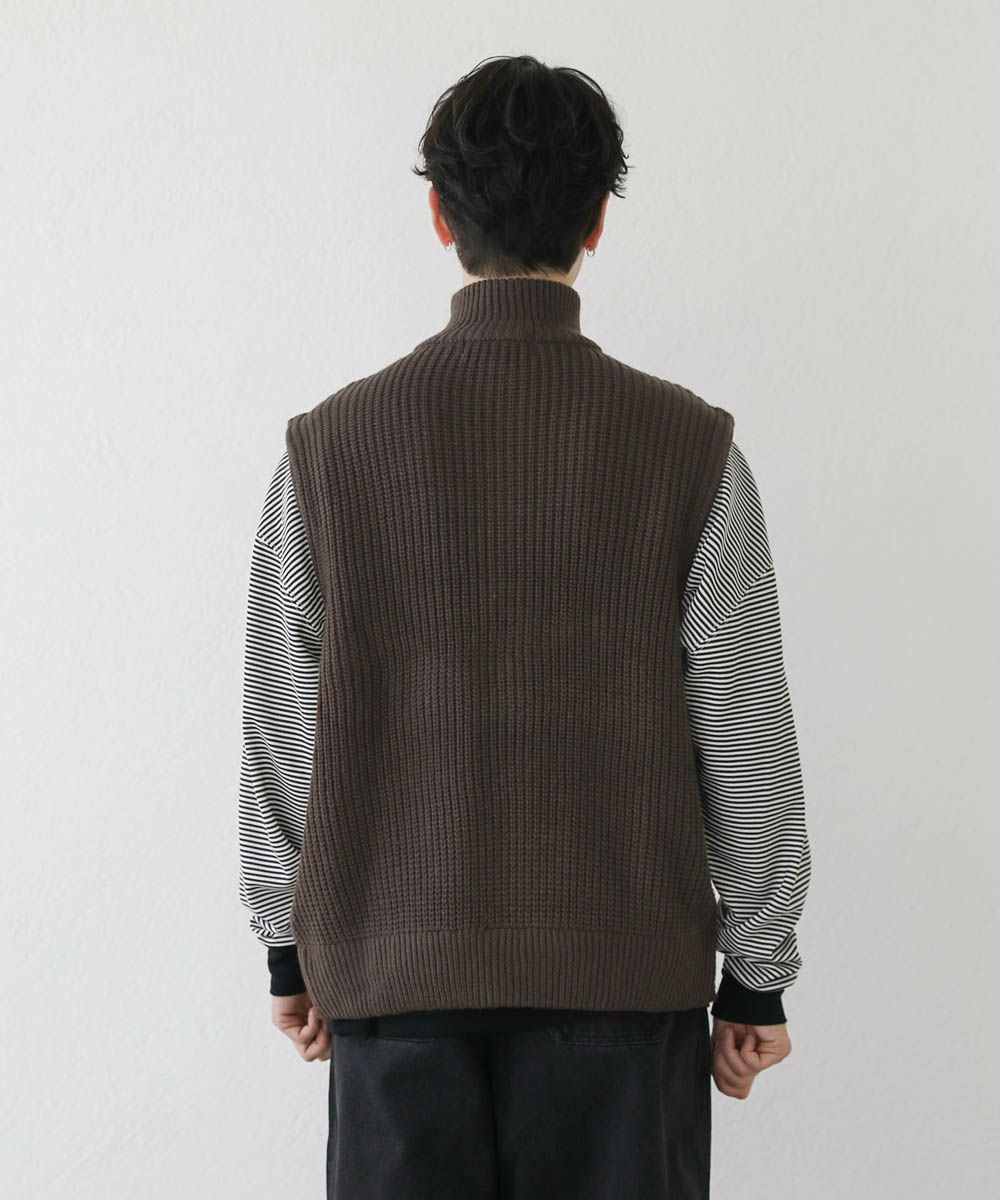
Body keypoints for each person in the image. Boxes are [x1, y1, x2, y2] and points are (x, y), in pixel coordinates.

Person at [238, 54, 811, 1199]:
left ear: (440, 216)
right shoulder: (690, 449)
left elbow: (283, 724)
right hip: (622, 1000)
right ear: (597, 221)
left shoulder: (327, 452)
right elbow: (742, 727)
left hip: (396, 1000)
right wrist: (756, 974)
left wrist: (288, 947)